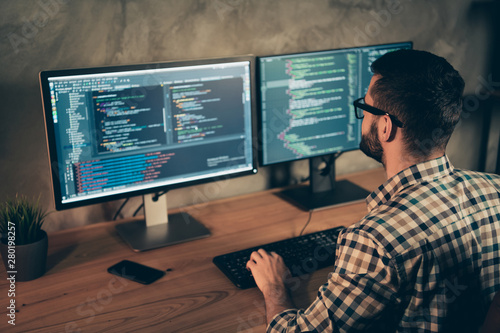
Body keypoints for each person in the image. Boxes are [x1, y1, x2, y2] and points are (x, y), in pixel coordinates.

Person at [246, 49, 500, 332]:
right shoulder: (495, 190)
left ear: (386, 127)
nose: (363, 117)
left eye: (365, 108)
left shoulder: (374, 241)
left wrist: (274, 286)